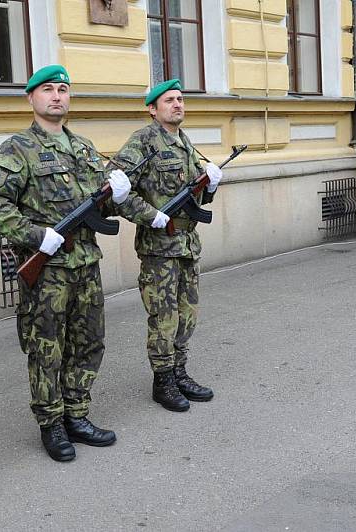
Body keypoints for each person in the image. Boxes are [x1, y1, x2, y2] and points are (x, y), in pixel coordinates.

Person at [0, 65, 132, 462]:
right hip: (46, 269)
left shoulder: (82, 147)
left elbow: (104, 200)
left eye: (63, 89)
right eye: (47, 89)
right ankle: (51, 423)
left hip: (85, 264)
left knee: (89, 342)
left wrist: (116, 191)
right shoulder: (16, 150)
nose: (57, 96)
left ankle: (77, 414)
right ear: (30, 98)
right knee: (46, 348)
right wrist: (36, 236)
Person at [108, 79, 222, 413]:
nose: (177, 105)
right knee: (164, 316)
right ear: (153, 109)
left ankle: (180, 371)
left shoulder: (185, 142)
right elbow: (113, 187)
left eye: (180, 99)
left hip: (187, 244)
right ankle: (163, 381)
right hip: (159, 248)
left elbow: (194, 195)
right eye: (169, 100)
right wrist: (149, 215)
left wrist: (210, 187)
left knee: (188, 314)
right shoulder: (143, 141)